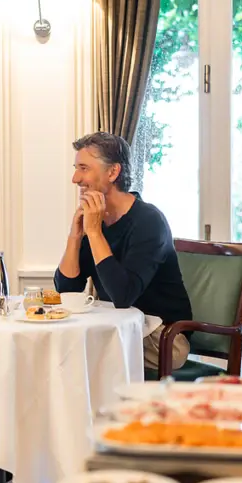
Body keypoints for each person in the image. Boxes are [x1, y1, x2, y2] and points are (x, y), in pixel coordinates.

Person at [54, 132, 195, 371]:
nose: (75, 178)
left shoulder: (149, 221)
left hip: (163, 339)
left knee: (70, 358)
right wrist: (76, 236)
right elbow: (67, 290)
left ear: (113, 172)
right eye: (76, 168)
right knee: (62, 353)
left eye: (84, 168)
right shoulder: (96, 220)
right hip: (116, 330)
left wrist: (95, 233)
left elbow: (123, 295)